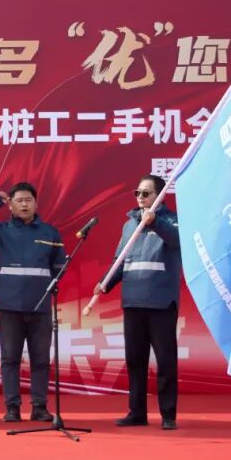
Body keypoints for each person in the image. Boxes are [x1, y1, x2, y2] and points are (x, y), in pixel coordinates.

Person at [0, 182, 65, 423]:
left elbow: (59, 267)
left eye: (28, 200)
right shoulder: (0, 231)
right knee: (10, 359)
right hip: (9, 307)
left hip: (40, 307)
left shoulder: (50, 233)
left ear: (35, 204)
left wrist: (46, 288)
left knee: (40, 361)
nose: (24, 204)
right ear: (10, 206)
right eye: (19, 200)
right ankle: (12, 407)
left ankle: (39, 407)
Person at [95, 175, 181, 430]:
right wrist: (106, 283)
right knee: (135, 360)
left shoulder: (172, 221)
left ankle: (168, 415)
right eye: (138, 193)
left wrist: (155, 223)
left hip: (161, 303)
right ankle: (137, 412)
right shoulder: (129, 225)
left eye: (146, 193)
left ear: (160, 196)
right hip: (133, 302)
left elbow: (177, 240)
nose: (140, 197)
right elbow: (120, 261)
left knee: (165, 361)